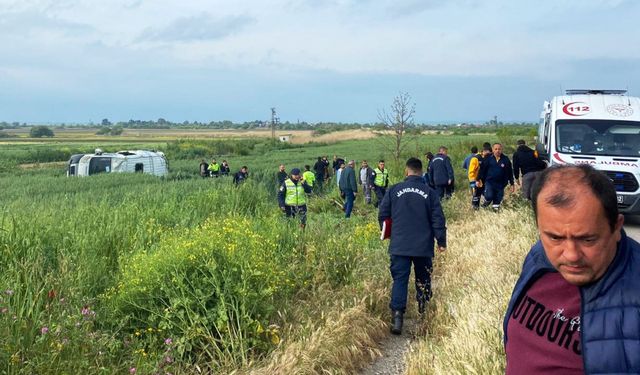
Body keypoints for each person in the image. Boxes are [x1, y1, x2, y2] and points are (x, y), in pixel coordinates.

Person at [503, 164, 639, 374]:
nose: (571, 255)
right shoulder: (538, 257)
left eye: (587, 239)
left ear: (616, 227)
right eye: (555, 237)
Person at [378, 157, 446, 335]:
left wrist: (386, 233)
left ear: (406, 171)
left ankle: (397, 317)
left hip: (399, 244)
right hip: (423, 245)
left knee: (400, 279)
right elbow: (437, 218)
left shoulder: (394, 190)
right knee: (423, 279)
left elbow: (383, 214)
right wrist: (441, 241)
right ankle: (424, 314)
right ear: (421, 171)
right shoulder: (430, 192)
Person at [478, 143, 514, 211]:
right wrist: (478, 179)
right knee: (489, 196)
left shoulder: (505, 159)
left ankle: (495, 213)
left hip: (501, 184)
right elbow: (482, 169)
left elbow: (510, 172)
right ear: (493, 150)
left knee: (497, 200)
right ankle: (486, 202)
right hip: (490, 182)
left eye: (499, 149)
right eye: (496, 149)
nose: (497, 151)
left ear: (501, 150)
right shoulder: (488, 158)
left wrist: (512, 183)